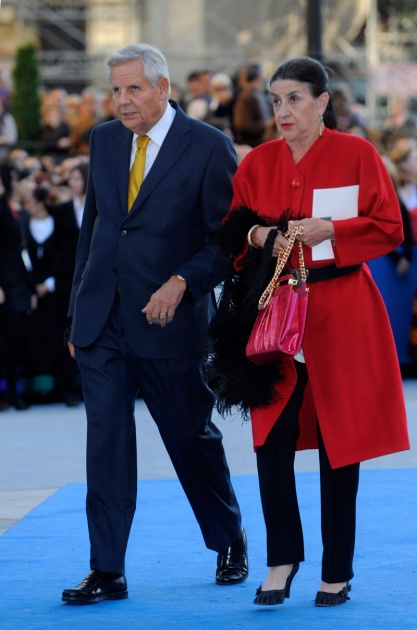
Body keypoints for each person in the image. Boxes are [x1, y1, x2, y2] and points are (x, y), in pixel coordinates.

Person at [208, 56, 410, 608]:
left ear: (324, 102)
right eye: (275, 100)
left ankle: (336, 570)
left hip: (343, 317)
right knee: (270, 443)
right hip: (273, 317)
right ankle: (282, 558)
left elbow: (392, 227)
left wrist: (333, 231)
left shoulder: (358, 154)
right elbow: (231, 232)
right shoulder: (258, 163)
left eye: (294, 98)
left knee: (340, 449)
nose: (282, 110)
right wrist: (260, 237)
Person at [61, 43, 248, 605]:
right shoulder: (103, 140)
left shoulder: (210, 148)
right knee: (107, 444)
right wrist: (77, 313)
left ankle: (228, 539)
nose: (121, 101)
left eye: (133, 89)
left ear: (164, 88)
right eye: (115, 90)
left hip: (171, 324)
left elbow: (229, 242)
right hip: (102, 323)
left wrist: (183, 280)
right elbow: (93, 231)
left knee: (190, 438)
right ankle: (108, 569)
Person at [52, 162, 89, 405]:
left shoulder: (101, 205)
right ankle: (68, 391)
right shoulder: (62, 210)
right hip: (67, 279)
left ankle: (90, 388)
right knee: (66, 331)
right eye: (70, 179)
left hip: (94, 276)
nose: (71, 182)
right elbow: (58, 246)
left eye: (76, 178)